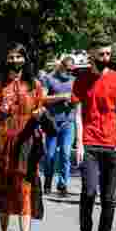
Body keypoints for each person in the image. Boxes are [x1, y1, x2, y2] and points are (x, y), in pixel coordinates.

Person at [0, 43, 50, 231]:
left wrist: (39, 112)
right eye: (11, 57)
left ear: (25, 59)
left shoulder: (34, 84)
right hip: (3, 142)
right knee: (3, 189)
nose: (14, 61)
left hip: (27, 142)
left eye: (18, 57)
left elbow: (41, 108)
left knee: (25, 190)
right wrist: (0, 110)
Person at [71, 39, 116, 231]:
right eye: (101, 54)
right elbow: (77, 114)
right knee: (88, 192)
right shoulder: (82, 80)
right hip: (90, 143)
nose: (105, 58)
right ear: (90, 54)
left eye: (108, 54)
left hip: (113, 145)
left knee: (108, 199)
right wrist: (79, 144)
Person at [41, 56, 77, 196]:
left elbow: (78, 100)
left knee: (65, 154)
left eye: (71, 70)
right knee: (50, 155)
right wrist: (62, 97)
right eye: (67, 69)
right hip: (52, 122)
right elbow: (42, 99)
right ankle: (48, 183)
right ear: (61, 66)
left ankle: (63, 184)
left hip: (68, 122)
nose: (69, 72)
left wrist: (73, 100)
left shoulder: (74, 81)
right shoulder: (49, 79)